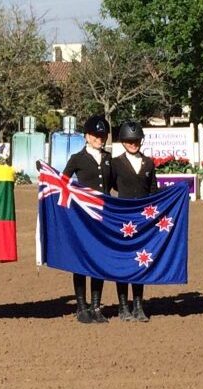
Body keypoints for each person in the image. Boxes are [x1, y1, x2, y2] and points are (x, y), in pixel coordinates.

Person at [63, 115, 112, 324]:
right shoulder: (77, 158)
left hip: (104, 217)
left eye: (102, 135)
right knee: (82, 261)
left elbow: (119, 184)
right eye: (95, 135)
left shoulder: (109, 158)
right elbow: (62, 182)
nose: (99, 139)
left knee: (99, 260)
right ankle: (81, 307)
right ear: (86, 137)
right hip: (83, 217)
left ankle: (96, 306)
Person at [110, 121, 157, 322]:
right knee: (124, 261)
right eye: (129, 141)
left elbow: (153, 191)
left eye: (136, 140)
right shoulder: (116, 163)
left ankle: (138, 305)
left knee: (141, 260)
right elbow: (110, 187)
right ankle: (123, 306)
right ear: (123, 142)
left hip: (143, 220)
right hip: (123, 219)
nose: (133, 144)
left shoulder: (148, 163)